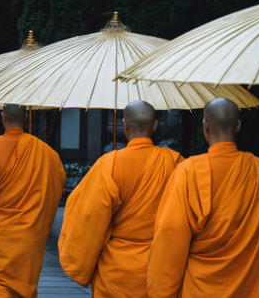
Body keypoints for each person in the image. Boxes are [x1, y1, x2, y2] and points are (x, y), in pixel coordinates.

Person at [148, 97, 259, 297]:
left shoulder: (188, 171)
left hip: (201, 288)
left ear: (205, 125)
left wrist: (162, 291)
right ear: (238, 126)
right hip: (252, 287)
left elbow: (170, 233)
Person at [58, 101, 184, 297]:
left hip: (116, 270)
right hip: (161, 268)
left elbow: (89, 216)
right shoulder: (176, 163)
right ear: (155, 126)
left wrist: (79, 263)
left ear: (124, 125)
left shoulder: (108, 164)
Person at [0, 104, 66, 298]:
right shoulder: (47, 153)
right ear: (25, 118)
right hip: (31, 237)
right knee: (24, 289)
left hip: (0, 235)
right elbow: (56, 187)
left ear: (2, 117)